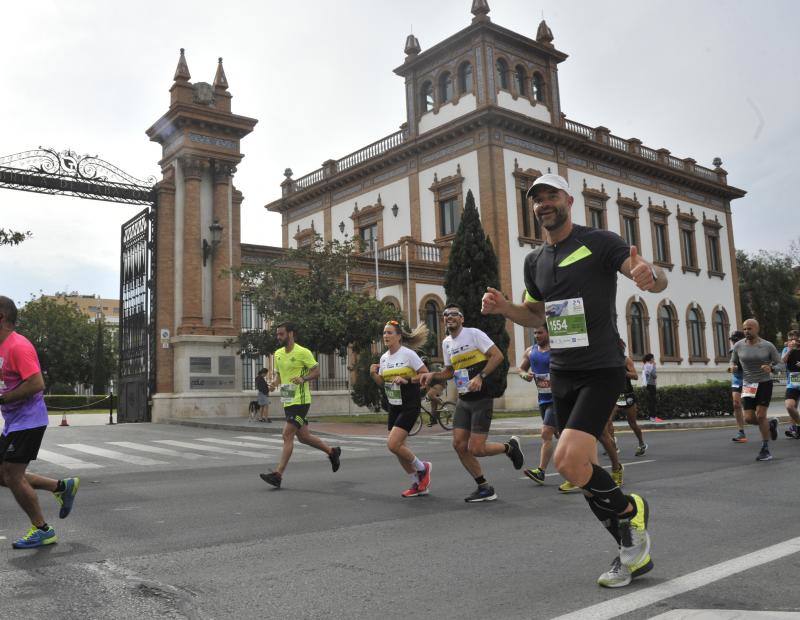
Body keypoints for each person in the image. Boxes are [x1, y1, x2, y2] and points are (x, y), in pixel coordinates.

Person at [481, 173, 667, 588]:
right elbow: (535, 315)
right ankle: (631, 550)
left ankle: (630, 513)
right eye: (536, 199)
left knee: (567, 462)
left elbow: (643, 272)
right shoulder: (535, 262)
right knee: (582, 470)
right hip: (562, 374)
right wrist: (504, 308)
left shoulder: (598, 241)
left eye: (550, 195)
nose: (543, 203)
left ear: (567, 199)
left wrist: (650, 275)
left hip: (601, 368)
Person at [419, 303, 523, 503]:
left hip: (482, 398)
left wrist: (481, 376)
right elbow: (450, 372)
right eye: (446, 314)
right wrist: (433, 375)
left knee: (476, 448)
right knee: (458, 445)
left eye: (454, 314)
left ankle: (509, 447)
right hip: (464, 399)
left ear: (462, 318)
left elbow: (498, 355)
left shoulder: (474, 334)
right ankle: (484, 487)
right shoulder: (446, 343)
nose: (449, 316)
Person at [0, 296, 80, 548]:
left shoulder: (18, 346)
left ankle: (42, 529)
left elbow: (36, 383)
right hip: (14, 421)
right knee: (3, 475)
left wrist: (3, 399)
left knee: (12, 476)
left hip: (29, 420)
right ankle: (61, 487)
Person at [259, 322, 341, 488]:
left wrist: (303, 379)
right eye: (277, 334)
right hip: (288, 400)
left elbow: (316, 371)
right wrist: (274, 384)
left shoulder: (303, 352)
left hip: (301, 401)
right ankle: (332, 452)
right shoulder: (278, 354)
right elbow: (281, 375)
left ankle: (278, 475)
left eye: (281, 334)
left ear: (290, 334)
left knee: (287, 435)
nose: (278, 337)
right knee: (303, 437)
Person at [370, 321, 432, 497]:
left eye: (389, 333)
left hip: (410, 404)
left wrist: (406, 380)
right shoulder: (384, 358)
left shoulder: (408, 354)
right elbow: (383, 383)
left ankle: (423, 467)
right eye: (384, 333)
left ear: (398, 336)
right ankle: (417, 483)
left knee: (392, 444)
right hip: (394, 405)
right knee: (399, 449)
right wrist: (373, 374)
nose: (386, 336)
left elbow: (425, 375)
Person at [729, 318, 782, 462]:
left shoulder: (767, 346)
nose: (746, 331)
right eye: (745, 329)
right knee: (749, 418)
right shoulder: (738, 346)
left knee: (760, 415)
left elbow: (780, 364)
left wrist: (771, 368)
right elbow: (733, 360)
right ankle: (770, 424)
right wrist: (732, 366)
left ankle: (765, 448)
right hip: (748, 385)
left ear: (757, 329)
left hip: (764, 383)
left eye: (749, 328)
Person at [519, 325, 557, 485]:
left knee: (546, 433)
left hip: (557, 399)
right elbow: (521, 368)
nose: (537, 335)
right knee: (560, 436)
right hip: (543, 398)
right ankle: (582, 463)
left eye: (540, 332)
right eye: (534, 333)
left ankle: (541, 471)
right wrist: (525, 375)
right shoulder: (530, 351)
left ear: (548, 333)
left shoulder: (556, 350)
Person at [607, 341, 648, 457]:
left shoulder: (626, 360)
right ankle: (614, 447)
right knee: (608, 421)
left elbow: (635, 376)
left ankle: (641, 443)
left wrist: (623, 372)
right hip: (616, 395)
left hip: (627, 395)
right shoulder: (609, 361)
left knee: (632, 423)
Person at [728, 330, 747, 442]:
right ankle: (741, 432)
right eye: (732, 340)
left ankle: (769, 424)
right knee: (736, 404)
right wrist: (731, 367)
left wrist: (738, 368)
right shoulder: (733, 350)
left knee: (751, 412)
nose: (734, 342)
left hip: (749, 379)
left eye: (735, 340)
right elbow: (731, 363)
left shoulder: (748, 350)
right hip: (737, 379)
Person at [780, 329, 800, 439]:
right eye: (790, 339)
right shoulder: (786, 349)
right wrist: (790, 350)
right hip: (793, 381)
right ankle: (795, 427)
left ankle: (795, 428)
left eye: (795, 339)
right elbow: (783, 361)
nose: (793, 341)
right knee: (791, 406)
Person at [641, 354, 663, 423]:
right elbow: (654, 375)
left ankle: (652, 416)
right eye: (653, 358)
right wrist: (654, 366)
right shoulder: (650, 366)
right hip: (651, 385)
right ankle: (653, 417)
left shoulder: (645, 365)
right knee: (653, 401)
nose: (654, 359)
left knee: (651, 401)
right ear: (650, 359)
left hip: (648, 385)